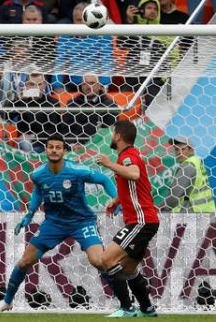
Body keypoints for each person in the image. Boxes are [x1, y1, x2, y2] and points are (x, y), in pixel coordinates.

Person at [0, 133, 118, 313]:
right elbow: (38, 192)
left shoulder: (76, 171)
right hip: (54, 224)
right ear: (46, 150)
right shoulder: (38, 174)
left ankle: (123, 302)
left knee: (98, 261)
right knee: (24, 262)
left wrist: (115, 200)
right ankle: (7, 301)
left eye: (58, 147)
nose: (54, 150)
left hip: (82, 222)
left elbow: (104, 179)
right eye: (51, 147)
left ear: (64, 150)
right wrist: (29, 214)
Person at [96, 120, 160, 317]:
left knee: (107, 258)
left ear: (118, 136)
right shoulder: (129, 155)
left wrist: (108, 164)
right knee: (130, 268)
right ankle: (147, 309)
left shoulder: (128, 156)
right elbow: (135, 184)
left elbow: (134, 174)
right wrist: (117, 200)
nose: (111, 136)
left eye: (112, 133)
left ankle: (126, 308)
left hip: (141, 221)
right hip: (145, 220)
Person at [163, 137, 215, 213]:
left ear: (191, 150)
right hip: (207, 209)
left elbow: (174, 195)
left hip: (192, 213)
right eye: (176, 149)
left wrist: (165, 208)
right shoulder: (197, 161)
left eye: (183, 149)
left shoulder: (187, 166)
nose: (179, 152)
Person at [62, 74, 117, 145]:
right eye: (85, 84)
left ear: (99, 86)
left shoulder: (109, 105)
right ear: (81, 86)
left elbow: (108, 132)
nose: (88, 86)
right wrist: (72, 145)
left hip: (99, 145)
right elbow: (65, 129)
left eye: (92, 83)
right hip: (74, 146)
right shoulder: (72, 104)